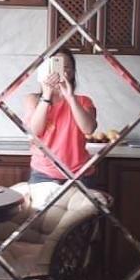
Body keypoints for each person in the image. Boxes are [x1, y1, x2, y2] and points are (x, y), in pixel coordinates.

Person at [24, 49, 97, 187]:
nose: (60, 72)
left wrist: (70, 97)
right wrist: (47, 95)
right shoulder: (33, 100)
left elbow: (89, 129)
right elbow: (34, 132)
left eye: (66, 67)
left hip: (80, 174)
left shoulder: (83, 101)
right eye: (56, 67)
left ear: (72, 72)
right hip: (43, 174)